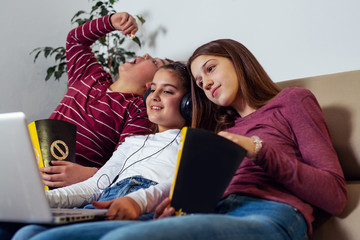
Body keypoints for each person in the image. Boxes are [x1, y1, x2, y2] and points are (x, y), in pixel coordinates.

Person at [15, 39, 347, 240]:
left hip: (269, 213)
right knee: (28, 233)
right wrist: (141, 202)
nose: (206, 83)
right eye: (200, 82)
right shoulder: (215, 130)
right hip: (213, 211)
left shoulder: (291, 101)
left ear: (238, 60)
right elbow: (181, 184)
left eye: (211, 69)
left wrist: (257, 150)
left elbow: (334, 195)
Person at [6, 62, 191, 240]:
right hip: (100, 206)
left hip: (138, 208)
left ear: (188, 103)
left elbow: (177, 188)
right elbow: (95, 186)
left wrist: (138, 202)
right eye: (152, 89)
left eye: (167, 91)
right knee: (19, 229)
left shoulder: (193, 143)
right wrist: (39, 200)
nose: (154, 96)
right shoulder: (133, 142)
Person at [42, 12, 171, 188]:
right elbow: (75, 41)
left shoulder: (138, 110)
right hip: (32, 163)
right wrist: (110, 22)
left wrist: (89, 175)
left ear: (153, 85)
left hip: (66, 186)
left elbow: (126, 164)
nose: (146, 55)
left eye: (155, 63)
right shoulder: (91, 75)